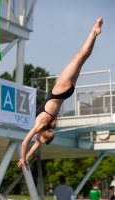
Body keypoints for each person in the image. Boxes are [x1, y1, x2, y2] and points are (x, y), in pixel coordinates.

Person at [17, 17, 103, 171]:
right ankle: (93, 32)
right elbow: (24, 143)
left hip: (67, 93)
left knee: (82, 59)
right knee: (78, 58)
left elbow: (35, 143)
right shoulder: (40, 126)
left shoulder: (46, 126)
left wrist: (27, 158)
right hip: (60, 90)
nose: (37, 141)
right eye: (40, 140)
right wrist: (23, 159)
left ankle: (95, 33)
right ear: (42, 133)